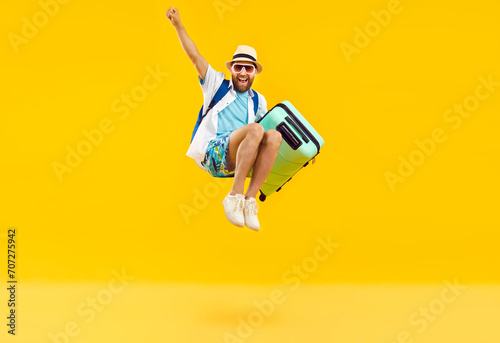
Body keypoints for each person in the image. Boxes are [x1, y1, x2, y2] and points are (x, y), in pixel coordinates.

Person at [166, 7, 281, 231]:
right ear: (231, 69)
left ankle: (249, 201)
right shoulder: (215, 84)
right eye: (238, 67)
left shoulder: (259, 101)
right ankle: (234, 196)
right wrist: (178, 25)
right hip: (213, 153)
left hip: (238, 159)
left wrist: (299, 155)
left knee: (274, 135)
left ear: (255, 72)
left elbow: (268, 142)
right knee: (256, 130)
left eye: (248, 68)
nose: (243, 72)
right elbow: (194, 56)